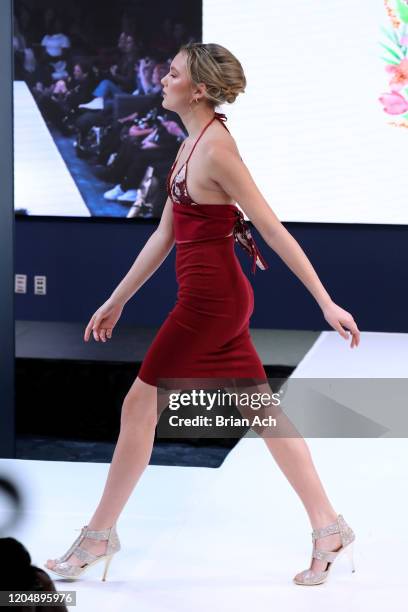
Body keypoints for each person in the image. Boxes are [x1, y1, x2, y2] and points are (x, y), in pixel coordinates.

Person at [45, 42, 360, 587]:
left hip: (210, 306)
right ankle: (328, 529)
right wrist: (117, 298)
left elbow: (272, 228)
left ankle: (98, 535)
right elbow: (165, 235)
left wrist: (324, 300)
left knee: (138, 405)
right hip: (211, 299)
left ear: (201, 89)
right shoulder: (190, 143)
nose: (162, 79)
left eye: (173, 74)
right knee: (262, 414)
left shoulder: (217, 151)